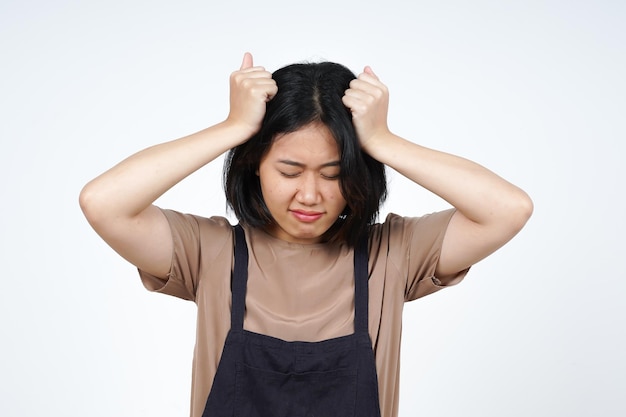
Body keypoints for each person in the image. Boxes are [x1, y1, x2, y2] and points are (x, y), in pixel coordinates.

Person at [79, 52, 533, 417]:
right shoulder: (211, 252)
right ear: (254, 167)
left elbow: (508, 210)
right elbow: (104, 203)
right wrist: (233, 128)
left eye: (333, 173)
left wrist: (383, 141)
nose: (310, 194)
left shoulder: (392, 255)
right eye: (289, 170)